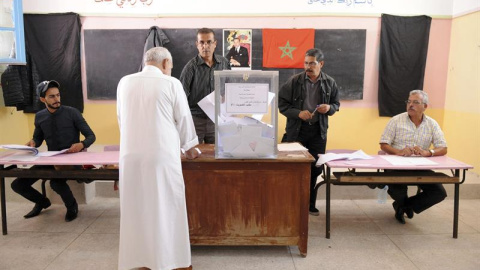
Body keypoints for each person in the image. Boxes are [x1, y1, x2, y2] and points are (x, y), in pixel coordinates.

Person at [117, 47, 200, 270]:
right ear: (165, 63)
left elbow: (121, 119)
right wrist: (190, 147)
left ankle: (138, 262)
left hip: (130, 156)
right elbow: (183, 118)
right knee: (166, 206)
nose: (170, 70)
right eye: (171, 66)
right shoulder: (170, 83)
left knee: (137, 207)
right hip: (161, 156)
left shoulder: (124, 82)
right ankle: (172, 261)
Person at [11, 80, 96, 222]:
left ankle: (72, 206)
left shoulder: (72, 113)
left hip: (71, 159)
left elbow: (91, 136)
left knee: (56, 183)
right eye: (52, 96)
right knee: (18, 184)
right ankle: (42, 202)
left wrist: (81, 145)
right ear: (42, 99)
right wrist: (33, 143)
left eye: (58, 95)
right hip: (50, 159)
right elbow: (37, 139)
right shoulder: (40, 116)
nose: (57, 99)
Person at [278, 48, 340, 216]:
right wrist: (298, 113)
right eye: (306, 63)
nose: (308, 67)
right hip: (296, 131)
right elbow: (282, 105)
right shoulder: (294, 81)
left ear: (321, 64)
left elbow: (336, 104)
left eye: (312, 63)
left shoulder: (329, 82)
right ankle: (289, 203)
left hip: (318, 132)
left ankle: (309, 204)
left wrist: (329, 108)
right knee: (291, 168)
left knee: (314, 169)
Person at [380, 90, 447, 224]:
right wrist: (398, 151)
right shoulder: (396, 120)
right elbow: (383, 144)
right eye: (409, 102)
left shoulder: (432, 124)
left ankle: (405, 206)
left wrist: (429, 152)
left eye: (415, 102)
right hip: (395, 166)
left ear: (425, 106)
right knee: (398, 191)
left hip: (420, 167)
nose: (411, 105)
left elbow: (443, 148)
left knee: (439, 192)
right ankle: (402, 203)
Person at [180, 27, 231, 144]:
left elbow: (230, 86)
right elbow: (182, 96)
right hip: (195, 120)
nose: (205, 46)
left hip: (216, 119)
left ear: (215, 44)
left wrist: (226, 99)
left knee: (216, 153)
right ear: (197, 44)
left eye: (209, 42)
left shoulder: (224, 63)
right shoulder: (190, 67)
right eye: (202, 42)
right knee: (194, 153)